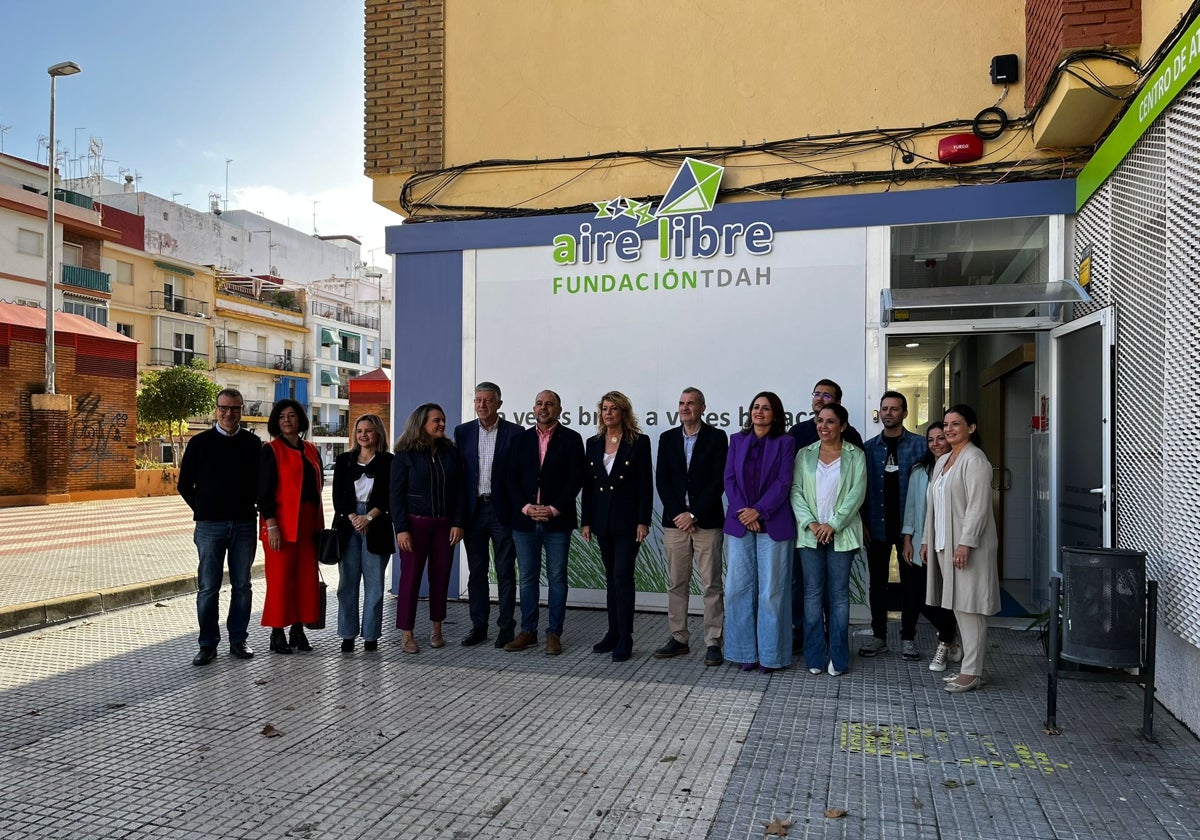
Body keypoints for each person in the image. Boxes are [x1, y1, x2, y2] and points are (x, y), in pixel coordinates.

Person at [178, 388, 262, 666]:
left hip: (244, 524)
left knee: (242, 585)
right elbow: (184, 484)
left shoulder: (253, 444)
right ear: (216, 409)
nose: (229, 413)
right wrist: (203, 510)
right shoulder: (199, 442)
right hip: (209, 525)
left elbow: (261, 485)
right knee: (208, 587)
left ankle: (238, 640)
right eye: (224, 408)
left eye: (235, 408)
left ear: (241, 410)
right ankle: (207, 644)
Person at [921, 404, 1000, 694]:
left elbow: (978, 508)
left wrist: (966, 543)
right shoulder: (943, 461)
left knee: (971, 608)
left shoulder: (975, 459)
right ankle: (971, 667)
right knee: (958, 606)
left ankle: (972, 672)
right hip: (945, 544)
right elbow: (933, 505)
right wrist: (927, 540)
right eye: (946, 424)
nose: (949, 429)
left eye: (956, 423)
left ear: (972, 428)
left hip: (969, 547)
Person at [505, 390, 584, 656]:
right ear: (533, 408)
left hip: (557, 522)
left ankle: (554, 634)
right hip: (524, 521)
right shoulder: (520, 439)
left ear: (559, 409)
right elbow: (510, 479)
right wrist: (527, 508)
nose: (543, 408)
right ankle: (528, 632)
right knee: (527, 579)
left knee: (557, 578)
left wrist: (553, 508)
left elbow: (576, 479)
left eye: (549, 404)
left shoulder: (572, 439)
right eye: (539, 403)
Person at [787, 378, 864, 653]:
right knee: (806, 589)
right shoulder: (797, 434)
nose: (820, 399)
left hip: (840, 531)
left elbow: (857, 490)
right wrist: (810, 523)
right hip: (807, 530)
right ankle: (806, 641)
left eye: (827, 396)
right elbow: (793, 487)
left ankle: (835, 644)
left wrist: (833, 524)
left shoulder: (853, 442)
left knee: (836, 594)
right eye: (817, 394)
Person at [654, 387, 728, 666]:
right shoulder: (667, 438)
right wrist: (679, 514)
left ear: (703, 407)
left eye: (691, 403)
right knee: (677, 583)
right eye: (682, 403)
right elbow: (662, 480)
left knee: (711, 584)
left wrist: (694, 514)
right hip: (675, 524)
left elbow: (718, 480)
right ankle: (679, 638)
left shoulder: (717, 438)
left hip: (706, 522)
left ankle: (713, 641)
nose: (685, 407)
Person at [723, 391, 797, 673]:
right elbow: (729, 479)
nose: (759, 412)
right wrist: (745, 511)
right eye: (756, 407)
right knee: (737, 589)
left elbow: (783, 481)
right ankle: (743, 652)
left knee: (771, 592)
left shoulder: (786, 442)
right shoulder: (737, 440)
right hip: (741, 523)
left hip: (774, 523)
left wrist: (760, 511)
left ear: (775, 414)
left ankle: (770, 655)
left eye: (766, 408)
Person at [581, 391, 653, 662]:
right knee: (611, 578)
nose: (608, 413)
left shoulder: (638, 441)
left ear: (624, 412)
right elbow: (588, 486)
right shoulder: (593, 443)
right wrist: (586, 520)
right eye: (605, 409)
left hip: (628, 522)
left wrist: (643, 521)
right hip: (602, 521)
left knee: (623, 578)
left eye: (613, 409)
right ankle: (612, 632)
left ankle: (626, 637)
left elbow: (646, 484)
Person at [390, 403, 467, 654]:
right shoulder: (404, 455)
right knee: (410, 581)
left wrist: (458, 522)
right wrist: (401, 528)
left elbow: (459, 492)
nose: (442, 424)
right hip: (414, 526)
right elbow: (396, 496)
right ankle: (407, 634)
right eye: (436, 420)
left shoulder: (450, 453)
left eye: (443, 420)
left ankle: (437, 631)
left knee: (440, 578)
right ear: (421, 424)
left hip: (445, 526)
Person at [860, 391, 931, 659]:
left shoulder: (921, 446)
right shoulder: (868, 448)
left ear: (905, 413)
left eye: (894, 408)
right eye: (885, 408)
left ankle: (908, 637)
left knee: (911, 583)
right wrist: (864, 523)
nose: (889, 413)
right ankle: (879, 636)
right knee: (877, 584)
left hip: (909, 530)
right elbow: (861, 490)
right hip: (876, 528)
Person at [453, 382, 523, 648]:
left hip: (502, 511)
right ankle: (478, 626)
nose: (482, 405)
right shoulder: (463, 433)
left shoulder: (515, 433)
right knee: (476, 572)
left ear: (499, 404)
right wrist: (458, 519)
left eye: (488, 401)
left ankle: (506, 627)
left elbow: (520, 476)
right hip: (473, 513)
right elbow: (460, 479)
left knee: (506, 571)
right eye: (478, 400)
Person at [258, 398, 324, 654]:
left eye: (292, 415)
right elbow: (263, 493)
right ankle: (277, 633)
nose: (287, 420)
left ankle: (298, 630)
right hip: (281, 524)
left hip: (308, 523)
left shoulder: (311, 449)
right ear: (276, 421)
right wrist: (271, 525)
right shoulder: (271, 450)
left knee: (305, 579)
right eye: (282, 416)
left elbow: (316, 490)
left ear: (300, 420)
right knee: (281, 580)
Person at [900, 422, 961, 672]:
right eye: (930, 440)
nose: (935, 444)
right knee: (921, 597)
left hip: (949, 544)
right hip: (920, 544)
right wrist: (907, 539)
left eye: (941, 438)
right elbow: (912, 508)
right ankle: (950, 635)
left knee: (947, 597)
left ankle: (945, 642)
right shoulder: (919, 471)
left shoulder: (959, 468)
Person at [332, 414, 394, 653]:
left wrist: (368, 517)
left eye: (369, 430)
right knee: (346, 583)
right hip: (348, 526)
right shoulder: (344, 460)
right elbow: (339, 497)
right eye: (359, 430)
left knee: (375, 584)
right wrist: (355, 519)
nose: (363, 435)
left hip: (376, 523)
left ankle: (370, 636)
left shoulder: (388, 461)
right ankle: (347, 634)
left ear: (378, 433)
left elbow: (388, 496)